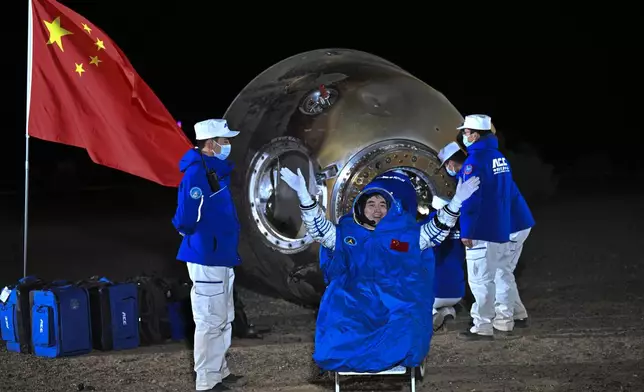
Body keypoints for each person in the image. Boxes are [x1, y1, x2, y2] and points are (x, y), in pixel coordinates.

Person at [279, 166, 480, 372]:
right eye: (371, 204)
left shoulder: (402, 234)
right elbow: (319, 228)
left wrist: (456, 202)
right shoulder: (347, 234)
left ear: (391, 208)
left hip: (396, 300)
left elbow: (434, 232)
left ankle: (393, 357)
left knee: (408, 328)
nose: (377, 209)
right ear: (361, 207)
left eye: (383, 204)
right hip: (354, 298)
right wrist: (303, 195)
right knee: (337, 324)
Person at [172, 118, 244, 391]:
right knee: (209, 319)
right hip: (207, 256)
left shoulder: (215, 170)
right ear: (211, 143)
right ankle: (206, 380)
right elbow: (185, 217)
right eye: (225, 140)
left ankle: (219, 371)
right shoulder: (196, 174)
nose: (228, 145)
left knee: (224, 316)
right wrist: (192, 234)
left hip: (221, 255)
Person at [454, 114, 515, 341]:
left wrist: (467, 230)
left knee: (480, 279)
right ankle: (505, 320)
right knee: (502, 275)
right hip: (500, 227)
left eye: (466, 132)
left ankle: (482, 325)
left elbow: (470, 199)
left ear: (476, 134)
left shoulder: (474, 162)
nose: (464, 136)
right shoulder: (500, 158)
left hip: (480, 229)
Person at [427, 195, 466, 331]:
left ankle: (432, 316)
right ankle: (448, 313)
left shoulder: (429, 222)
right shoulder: (463, 225)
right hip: (457, 292)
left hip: (435, 292)